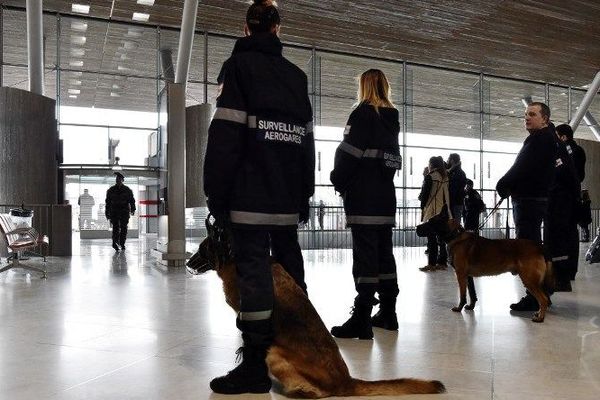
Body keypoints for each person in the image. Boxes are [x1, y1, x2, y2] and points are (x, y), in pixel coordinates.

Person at [203, 0, 314, 394]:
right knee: (290, 270)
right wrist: (304, 195)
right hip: (286, 197)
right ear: (278, 29)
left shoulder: (238, 69)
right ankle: (300, 349)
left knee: (254, 277)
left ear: (246, 29)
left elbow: (225, 138)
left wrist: (216, 194)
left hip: (248, 195)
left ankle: (254, 366)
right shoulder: (296, 77)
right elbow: (305, 144)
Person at [329, 68, 401, 339]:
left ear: (364, 87)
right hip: (385, 198)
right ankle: (388, 313)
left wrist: (337, 179)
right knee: (385, 256)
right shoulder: (392, 119)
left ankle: (361, 318)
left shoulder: (361, 114)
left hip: (363, 197)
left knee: (365, 258)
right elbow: (392, 160)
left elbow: (347, 154)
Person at [496, 102, 558, 311]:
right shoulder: (542, 139)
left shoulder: (541, 140)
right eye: (525, 115)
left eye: (532, 114)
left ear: (545, 119)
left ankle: (534, 296)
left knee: (527, 250)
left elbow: (523, 168)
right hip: (531, 199)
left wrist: (503, 183)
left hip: (529, 200)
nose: (527, 118)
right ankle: (541, 294)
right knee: (532, 245)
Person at [556, 123, 586, 280]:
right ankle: (570, 270)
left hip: (565, 199)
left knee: (565, 234)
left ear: (563, 137)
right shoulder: (578, 150)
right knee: (571, 234)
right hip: (572, 198)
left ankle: (565, 270)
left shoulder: (568, 152)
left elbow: (571, 176)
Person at [419, 156, 452, 272]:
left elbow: (424, 195)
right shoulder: (445, 176)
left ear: (432, 164)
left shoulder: (431, 176)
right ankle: (442, 262)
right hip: (443, 211)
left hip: (432, 211)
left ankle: (432, 264)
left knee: (431, 238)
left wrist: (422, 206)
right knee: (442, 238)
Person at [105, 172, 136, 252]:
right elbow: (107, 202)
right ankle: (115, 242)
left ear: (122, 180)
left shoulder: (127, 190)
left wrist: (133, 209)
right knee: (115, 228)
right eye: (116, 179)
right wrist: (107, 212)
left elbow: (132, 201)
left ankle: (122, 243)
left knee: (123, 228)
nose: (117, 180)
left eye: (119, 179)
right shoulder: (111, 190)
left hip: (124, 212)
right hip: (114, 211)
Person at [447, 153, 467, 224]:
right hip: (457, 202)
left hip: (455, 203)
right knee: (455, 223)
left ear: (452, 160)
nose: (447, 161)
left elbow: (453, 189)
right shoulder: (459, 172)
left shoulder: (457, 173)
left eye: (448, 159)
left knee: (454, 224)